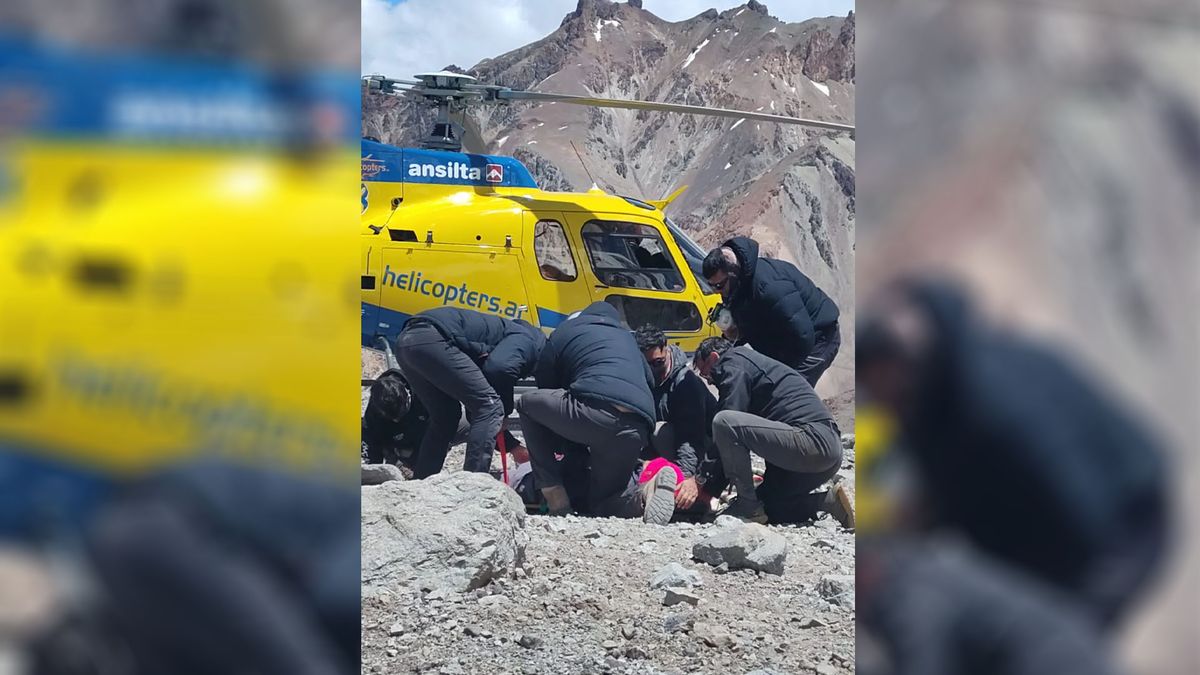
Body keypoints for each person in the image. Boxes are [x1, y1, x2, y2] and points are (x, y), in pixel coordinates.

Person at [857, 278, 1168, 626]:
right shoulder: (944, 385)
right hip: (1095, 512)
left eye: (870, 382)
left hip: (1120, 525)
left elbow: (1071, 503)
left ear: (892, 366)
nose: (873, 401)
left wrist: (1048, 598)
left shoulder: (987, 406)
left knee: (1051, 640)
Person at [516, 302, 677, 523]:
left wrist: (558, 440)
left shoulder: (566, 331)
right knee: (604, 502)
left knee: (527, 405)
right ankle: (644, 494)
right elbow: (650, 381)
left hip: (594, 412)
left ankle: (554, 495)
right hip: (637, 425)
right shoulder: (629, 341)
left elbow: (547, 384)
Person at [693, 337, 854, 527]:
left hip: (811, 441)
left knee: (724, 421)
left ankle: (747, 507)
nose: (710, 380)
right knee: (770, 507)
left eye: (707, 373)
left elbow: (728, 422)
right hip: (827, 454)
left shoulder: (733, 362)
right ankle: (830, 501)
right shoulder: (752, 365)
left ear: (714, 357)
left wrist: (703, 484)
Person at [394, 307, 545, 479]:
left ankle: (421, 481)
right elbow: (500, 370)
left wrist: (513, 447)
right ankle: (473, 483)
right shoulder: (527, 340)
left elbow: (476, 414)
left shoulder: (498, 337)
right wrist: (505, 411)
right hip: (434, 338)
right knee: (490, 406)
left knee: (445, 416)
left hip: (406, 342)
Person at [702, 236, 840, 387]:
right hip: (788, 342)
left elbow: (803, 337)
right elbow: (749, 322)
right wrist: (731, 338)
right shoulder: (737, 286)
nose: (716, 291)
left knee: (788, 392)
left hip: (818, 339)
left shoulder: (769, 288)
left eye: (719, 285)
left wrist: (778, 371)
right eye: (712, 286)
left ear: (733, 273)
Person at [634, 325, 721, 514]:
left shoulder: (685, 384)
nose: (652, 369)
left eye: (658, 363)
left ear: (666, 349)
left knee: (659, 431)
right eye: (646, 365)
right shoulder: (641, 377)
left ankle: (691, 492)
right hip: (670, 449)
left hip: (704, 453)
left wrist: (687, 480)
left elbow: (691, 440)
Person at [361, 368, 469, 474]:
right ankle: (404, 468)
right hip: (401, 447)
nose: (396, 420)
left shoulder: (423, 387)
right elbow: (370, 444)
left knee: (472, 424)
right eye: (391, 418)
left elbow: (448, 414)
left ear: (407, 395)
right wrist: (376, 472)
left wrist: (437, 446)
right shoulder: (375, 410)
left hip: (432, 433)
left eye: (400, 414)